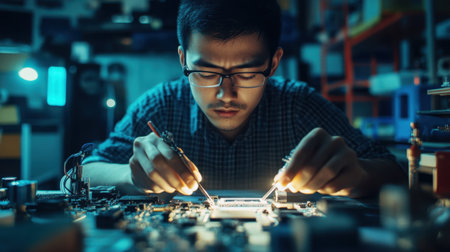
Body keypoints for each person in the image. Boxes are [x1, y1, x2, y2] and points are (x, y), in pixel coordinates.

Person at [81, 0, 405, 197]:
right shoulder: (161, 104)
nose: (226, 94)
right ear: (183, 59)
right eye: (206, 73)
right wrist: (129, 174)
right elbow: (84, 172)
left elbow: (394, 169)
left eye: (247, 74)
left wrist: (358, 175)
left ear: (273, 63)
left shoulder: (298, 105)